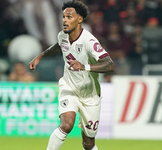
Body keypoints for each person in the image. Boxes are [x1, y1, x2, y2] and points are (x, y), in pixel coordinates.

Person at [29, 1, 115, 150]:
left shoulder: (89, 41)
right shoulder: (63, 35)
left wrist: (84, 66)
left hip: (90, 94)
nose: (64, 20)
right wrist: (40, 56)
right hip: (69, 87)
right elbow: (59, 45)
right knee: (66, 125)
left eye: (69, 17)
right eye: (63, 17)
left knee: (88, 143)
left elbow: (109, 64)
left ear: (79, 19)